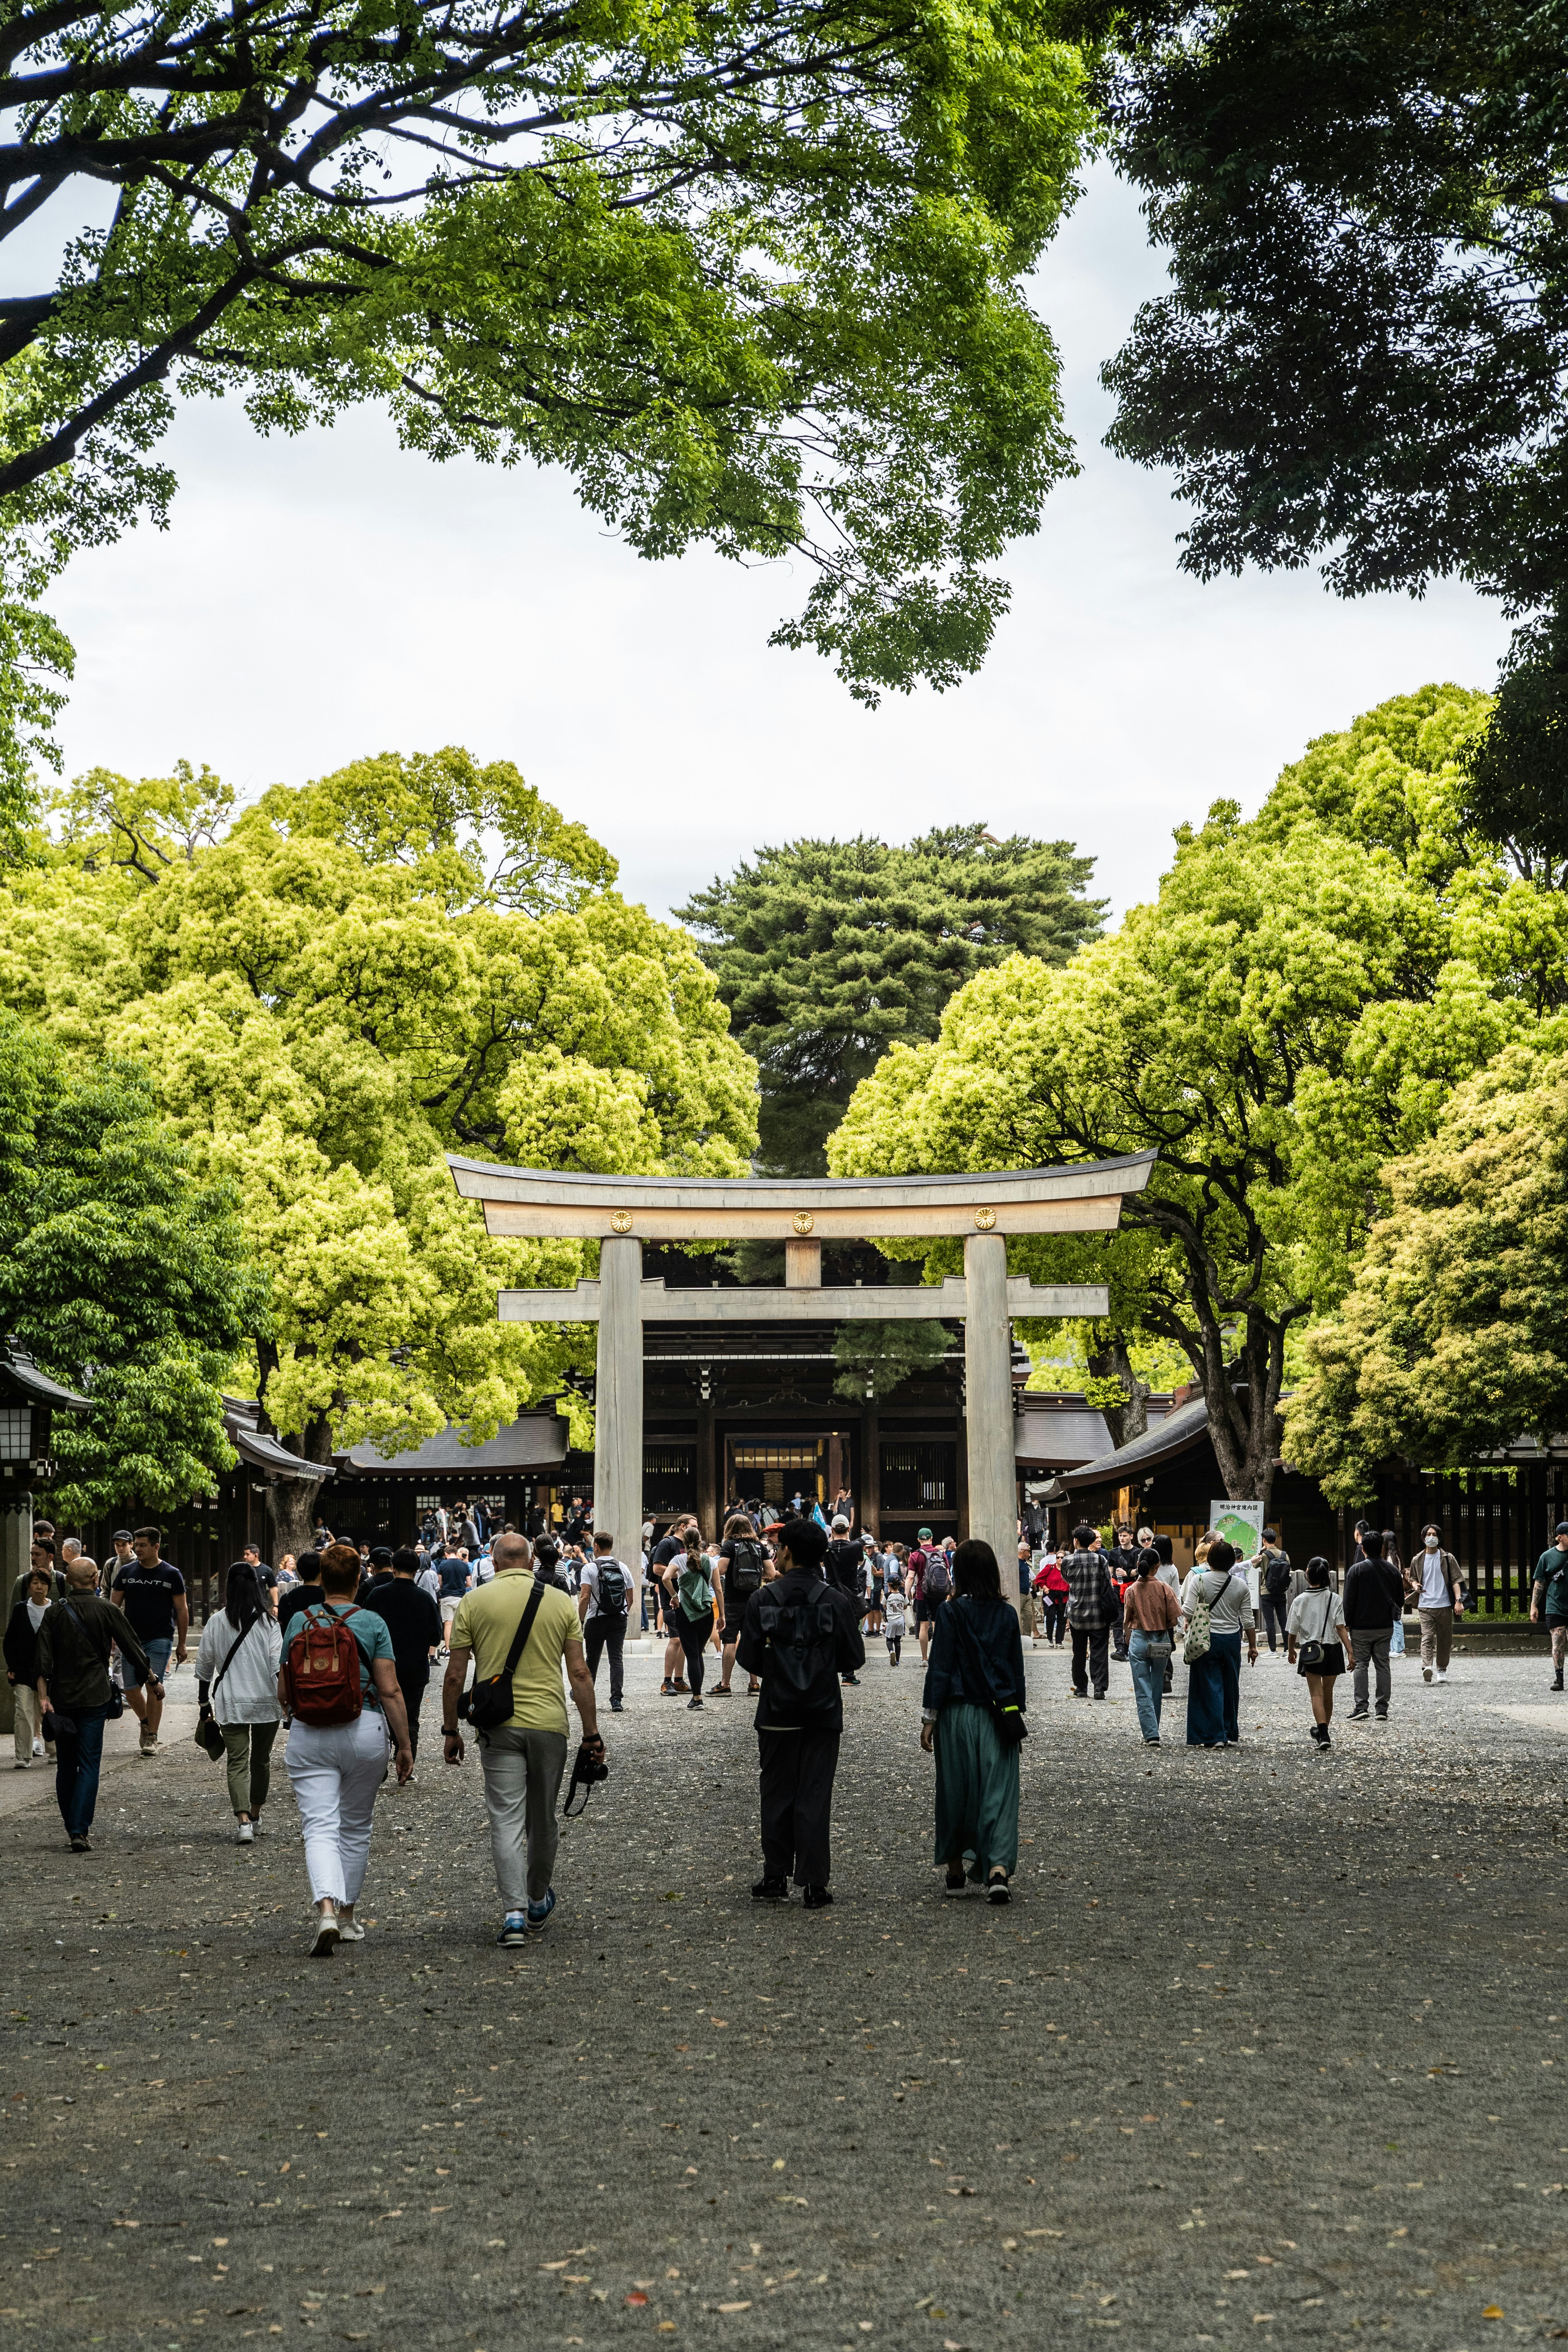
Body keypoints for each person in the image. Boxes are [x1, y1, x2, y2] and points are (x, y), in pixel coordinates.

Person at [440, 1530, 601, 1944]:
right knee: (542, 1817)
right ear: (531, 1562)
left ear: (493, 1564)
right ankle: (535, 1899)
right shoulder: (560, 1603)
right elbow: (580, 1673)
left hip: (498, 1725)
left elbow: (456, 1674)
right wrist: (592, 1733)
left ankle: (513, 1914)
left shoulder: (475, 1602)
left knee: (505, 1817)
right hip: (549, 1722)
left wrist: (451, 1729)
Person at [279, 1540, 412, 1956]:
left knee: (319, 1826)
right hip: (364, 1728)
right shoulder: (372, 1623)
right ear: (359, 1579)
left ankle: (325, 1912)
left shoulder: (300, 1621)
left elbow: (284, 1690)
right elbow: (389, 1690)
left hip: (309, 1732)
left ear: (320, 1578)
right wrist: (404, 1745)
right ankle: (350, 1915)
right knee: (355, 1827)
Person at [734, 1516, 864, 1908]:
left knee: (776, 1792)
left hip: (776, 1709)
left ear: (786, 1551)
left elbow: (748, 1658)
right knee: (815, 1793)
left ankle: (775, 1875)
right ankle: (814, 1882)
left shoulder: (762, 1600)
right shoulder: (835, 1600)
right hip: (822, 1710)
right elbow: (853, 1657)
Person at [920, 1538, 1025, 1904]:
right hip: (998, 1713)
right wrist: (1016, 1715)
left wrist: (930, 1716)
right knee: (999, 1791)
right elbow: (1016, 1670)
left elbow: (942, 1666)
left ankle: (955, 1871)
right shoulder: (1008, 1614)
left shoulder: (950, 1613)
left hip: (958, 1712)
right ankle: (998, 1869)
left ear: (959, 1572)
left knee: (955, 1790)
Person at [36, 1554, 159, 1850]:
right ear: (95, 1580)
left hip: (63, 1698)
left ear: (68, 1582)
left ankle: (71, 1825)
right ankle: (80, 1829)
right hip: (94, 1697)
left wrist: (43, 1698)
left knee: (66, 1764)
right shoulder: (107, 1610)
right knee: (89, 1763)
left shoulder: (54, 1614)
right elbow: (132, 1647)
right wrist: (152, 1680)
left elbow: (41, 1661)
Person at [196, 1561, 283, 1842]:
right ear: (257, 1586)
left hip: (231, 1699)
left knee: (237, 1761)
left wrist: (203, 1704)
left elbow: (205, 1667)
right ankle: (256, 1814)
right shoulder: (269, 1622)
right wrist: (288, 1700)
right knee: (261, 1761)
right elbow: (276, 1664)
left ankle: (243, 1822)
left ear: (228, 1588)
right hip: (266, 1700)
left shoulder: (217, 1621)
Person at [110, 1526, 188, 1758]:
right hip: (130, 1639)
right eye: (137, 1544)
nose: (139, 1549)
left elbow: (182, 1610)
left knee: (154, 1686)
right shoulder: (126, 1572)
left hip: (160, 1637)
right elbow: (114, 1607)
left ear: (156, 1546)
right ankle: (146, 1722)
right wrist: (112, 1635)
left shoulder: (171, 1574)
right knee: (131, 1688)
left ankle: (152, 1736)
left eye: (144, 1545)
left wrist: (181, 1644)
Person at [361, 1546, 443, 1764]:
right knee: (411, 1718)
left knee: (382, 1717)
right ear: (417, 1570)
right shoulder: (426, 1599)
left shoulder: (377, 1595)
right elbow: (436, 1638)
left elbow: (364, 1630)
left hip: (382, 1666)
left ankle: (380, 1766)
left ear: (394, 1568)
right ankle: (407, 1765)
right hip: (415, 1667)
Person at [1180, 1536, 1256, 1748]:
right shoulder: (1240, 1585)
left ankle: (1213, 1735)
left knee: (1207, 1685)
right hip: (1232, 1640)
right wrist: (1252, 1646)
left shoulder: (1200, 1580)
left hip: (1206, 1638)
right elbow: (1248, 1620)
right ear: (1233, 1562)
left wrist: (1192, 1618)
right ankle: (1227, 1730)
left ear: (1209, 1561)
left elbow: (1187, 1610)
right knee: (1230, 1685)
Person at [1287, 1555, 1354, 1750]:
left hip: (1311, 1651)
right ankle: (1324, 1732)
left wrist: (1291, 1650)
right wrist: (1350, 1652)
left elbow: (1292, 1632)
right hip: (1332, 1649)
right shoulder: (1335, 1598)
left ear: (1308, 1575)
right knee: (1327, 1694)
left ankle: (1323, 1734)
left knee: (1316, 1694)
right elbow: (1341, 1628)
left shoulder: (1300, 1600)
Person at [1122, 1544, 1182, 1746]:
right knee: (1157, 1685)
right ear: (1157, 1567)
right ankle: (1154, 1729)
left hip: (1139, 1638)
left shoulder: (1132, 1590)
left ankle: (1151, 1733)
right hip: (1161, 1640)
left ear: (1138, 1565)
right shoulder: (1165, 1589)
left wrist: (1128, 1637)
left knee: (1142, 1687)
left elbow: (1126, 1620)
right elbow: (1175, 1620)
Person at [1342, 1530, 1403, 1721]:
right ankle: (1382, 1709)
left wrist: (1348, 1624)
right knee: (1383, 1665)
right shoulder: (1393, 1570)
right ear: (1383, 1547)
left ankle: (1361, 1706)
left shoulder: (1356, 1570)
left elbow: (1348, 1601)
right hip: (1385, 1626)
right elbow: (1400, 1600)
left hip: (1361, 1627)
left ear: (1363, 1548)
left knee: (1361, 1666)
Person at [662, 1527, 722, 1709]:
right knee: (699, 1653)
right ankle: (698, 1695)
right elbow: (718, 1589)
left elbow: (666, 1578)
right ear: (700, 1540)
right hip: (706, 1610)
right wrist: (723, 1615)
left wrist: (674, 1596)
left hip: (685, 1611)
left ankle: (697, 1698)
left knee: (693, 1656)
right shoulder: (710, 1561)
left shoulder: (679, 1560)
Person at [5, 1561, 55, 1766]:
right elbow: (10, 1640)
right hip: (24, 1670)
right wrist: (12, 1666)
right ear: (28, 1587)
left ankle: (54, 1750)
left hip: (50, 1671)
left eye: (43, 1583)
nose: (39, 1587)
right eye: (35, 1583)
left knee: (49, 1710)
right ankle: (24, 1756)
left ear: (48, 1587)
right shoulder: (20, 1609)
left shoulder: (56, 1610)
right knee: (23, 1711)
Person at [578, 1530, 633, 1713]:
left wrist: (580, 1620)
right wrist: (623, 1612)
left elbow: (585, 1596)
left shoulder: (589, 1568)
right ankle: (616, 1700)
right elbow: (630, 1596)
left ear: (596, 1547)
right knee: (616, 1659)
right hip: (619, 1618)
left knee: (592, 1660)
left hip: (596, 1618)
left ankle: (585, 1696)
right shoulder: (623, 1567)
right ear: (611, 1547)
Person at [715, 1514, 767, 1695]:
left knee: (729, 1641)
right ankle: (754, 1685)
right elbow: (771, 1571)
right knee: (752, 1641)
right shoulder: (760, 1547)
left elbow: (721, 1570)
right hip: (754, 1601)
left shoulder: (730, 1546)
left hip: (732, 1600)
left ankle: (725, 1684)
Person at [1063, 1524, 1116, 1700]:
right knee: (1099, 1651)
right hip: (1098, 1613)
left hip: (1077, 1614)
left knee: (1079, 1652)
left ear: (1076, 1541)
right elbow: (1107, 1584)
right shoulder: (1101, 1560)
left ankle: (1081, 1687)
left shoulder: (1067, 1561)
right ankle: (1099, 1688)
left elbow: (1066, 1579)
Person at [1414, 1522, 1464, 1683]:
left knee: (1445, 1639)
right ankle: (1427, 1667)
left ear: (1439, 1538)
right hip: (1426, 1605)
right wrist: (1416, 1585)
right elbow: (1413, 1579)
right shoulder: (1418, 1559)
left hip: (1444, 1604)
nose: (1431, 1537)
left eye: (1434, 1535)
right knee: (1427, 1637)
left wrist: (1458, 1601)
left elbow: (1456, 1581)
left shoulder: (1448, 1558)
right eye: (1428, 1535)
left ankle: (1442, 1669)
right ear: (1423, 1539)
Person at [1532, 1521, 1568, 1692]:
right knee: (1558, 1643)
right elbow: (1540, 1582)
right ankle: (1559, 1679)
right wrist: (1534, 1605)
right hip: (1555, 1605)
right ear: (1560, 1537)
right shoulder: (1547, 1557)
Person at [915, 1530, 952, 1663]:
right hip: (940, 1593)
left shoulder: (916, 1555)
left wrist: (906, 1595)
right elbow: (948, 1575)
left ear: (919, 1540)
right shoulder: (942, 1554)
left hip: (922, 1594)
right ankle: (939, 1657)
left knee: (924, 1625)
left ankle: (925, 1659)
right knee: (938, 1624)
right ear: (931, 1538)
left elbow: (909, 1577)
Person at [1255, 1530, 1293, 1655]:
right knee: (1284, 1621)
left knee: (1270, 1622)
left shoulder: (1265, 1555)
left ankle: (1272, 1650)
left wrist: (1262, 1550)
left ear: (1264, 1540)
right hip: (1281, 1592)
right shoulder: (1284, 1555)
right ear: (1276, 1540)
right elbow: (1289, 1571)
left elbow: (1255, 1565)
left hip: (1267, 1592)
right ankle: (1287, 1649)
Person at [436, 1546, 472, 1657]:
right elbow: (469, 1584)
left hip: (447, 1597)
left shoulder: (443, 1565)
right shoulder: (464, 1565)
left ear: (446, 1553)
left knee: (448, 1624)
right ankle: (460, 1649)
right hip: (460, 1597)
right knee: (460, 1625)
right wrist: (461, 1586)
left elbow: (439, 1583)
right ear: (456, 1553)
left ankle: (448, 1650)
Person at [1017, 1539, 1045, 1646]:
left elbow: (1032, 1577)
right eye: (1028, 1552)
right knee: (1018, 1616)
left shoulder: (1025, 1563)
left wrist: (1034, 1587)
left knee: (1029, 1616)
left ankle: (1027, 1640)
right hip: (1019, 1593)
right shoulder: (1016, 1562)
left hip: (1027, 1592)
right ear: (1023, 1551)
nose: (1029, 1554)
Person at [884, 1573, 908, 1666]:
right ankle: (897, 1661)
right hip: (901, 1620)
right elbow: (905, 1607)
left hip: (891, 1620)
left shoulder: (887, 1596)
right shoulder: (903, 1596)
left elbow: (884, 1606)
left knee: (889, 1640)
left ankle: (891, 1651)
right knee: (898, 1641)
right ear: (900, 1585)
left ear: (889, 1585)